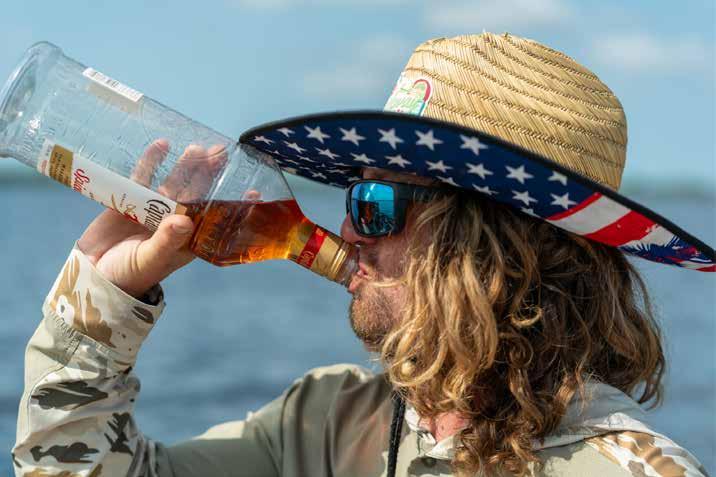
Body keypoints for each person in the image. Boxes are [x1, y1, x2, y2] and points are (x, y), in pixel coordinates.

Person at [12, 32, 713, 477]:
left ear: (495, 247)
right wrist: (103, 300)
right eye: (353, 197)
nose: (348, 230)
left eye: (375, 202)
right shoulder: (327, 424)